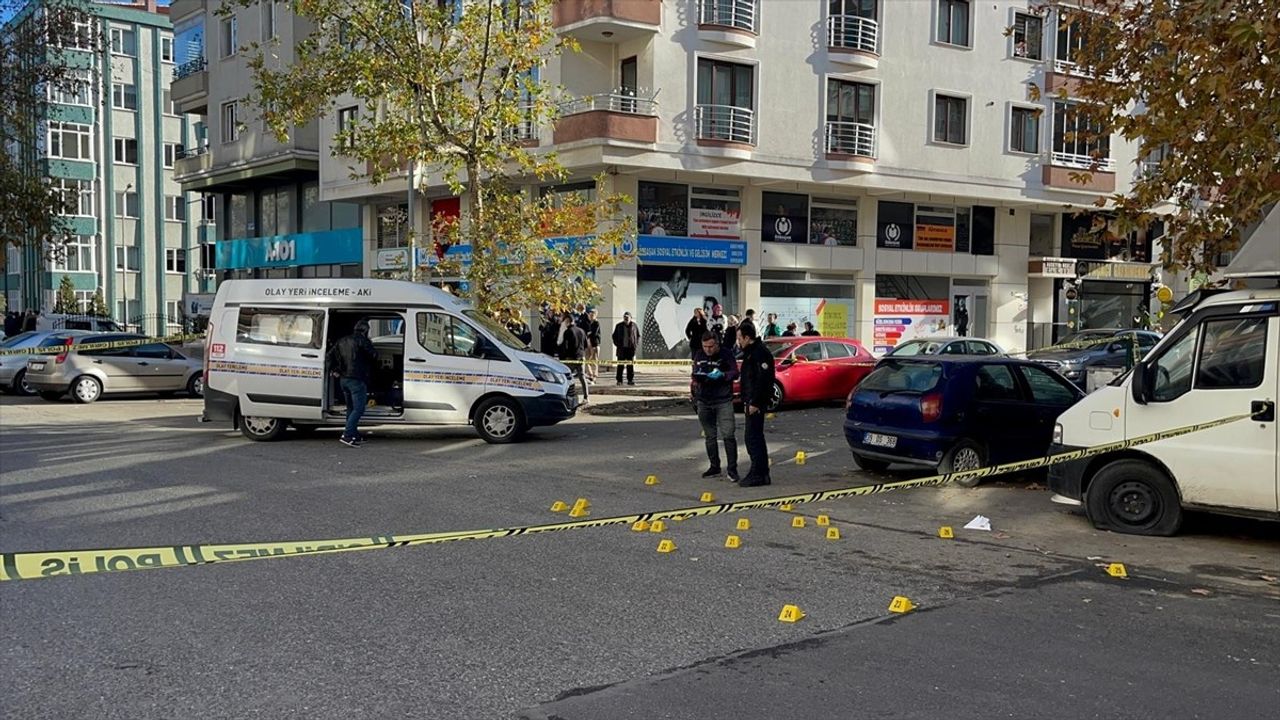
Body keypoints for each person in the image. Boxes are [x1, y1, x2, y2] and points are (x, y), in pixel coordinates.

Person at [692, 331, 739, 482]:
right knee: (710, 436)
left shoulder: (726, 354)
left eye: (711, 346)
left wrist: (723, 375)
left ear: (717, 344)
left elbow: (735, 372)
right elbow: (694, 373)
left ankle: (732, 470)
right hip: (704, 400)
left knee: (728, 435)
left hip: (723, 400)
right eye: (705, 346)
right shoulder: (699, 355)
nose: (708, 350)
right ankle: (714, 466)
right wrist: (697, 382)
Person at [327, 320, 378, 447]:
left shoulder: (341, 340)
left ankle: (354, 435)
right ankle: (348, 434)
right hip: (357, 379)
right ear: (365, 330)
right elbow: (374, 355)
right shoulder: (362, 340)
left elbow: (329, 356)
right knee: (359, 408)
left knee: (351, 408)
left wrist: (333, 370)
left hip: (343, 379)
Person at [737, 323, 775, 486]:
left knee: (754, 438)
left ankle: (760, 474)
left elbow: (763, 380)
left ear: (747, 337)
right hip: (750, 400)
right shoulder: (751, 352)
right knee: (751, 437)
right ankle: (757, 471)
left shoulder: (760, 353)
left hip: (755, 403)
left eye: (740, 338)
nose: (738, 341)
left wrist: (756, 402)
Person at [558, 312, 589, 401]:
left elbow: (565, 346)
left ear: (568, 321)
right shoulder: (582, 331)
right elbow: (585, 345)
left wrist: (563, 357)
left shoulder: (568, 332)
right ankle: (586, 397)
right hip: (581, 356)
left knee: (567, 378)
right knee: (582, 377)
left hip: (570, 358)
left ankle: (568, 397)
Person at [612, 311, 640, 385]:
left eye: (627, 317)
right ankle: (619, 380)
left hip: (630, 349)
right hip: (621, 349)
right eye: (625, 317)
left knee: (630, 366)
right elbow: (614, 336)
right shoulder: (619, 326)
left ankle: (630, 380)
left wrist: (635, 344)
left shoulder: (634, 326)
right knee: (620, 365)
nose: (626, 319)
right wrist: (617, 344)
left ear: (631, 318)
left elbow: (638, 335)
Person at [579, 307, 601, 384]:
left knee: (594, 361)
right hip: (587, 344)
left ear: (595, 316)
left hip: (594, 344)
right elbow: (582, 328)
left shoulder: (596, 323)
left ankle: (594, 376)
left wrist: (589, 333)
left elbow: (594, 333)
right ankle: (590, 375)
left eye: (592, 315)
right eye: (590, 315)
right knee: (586, 360)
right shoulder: (586, 322)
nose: (591, 316)